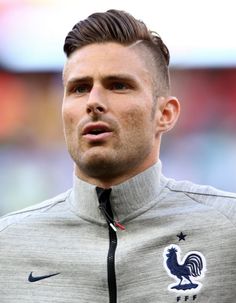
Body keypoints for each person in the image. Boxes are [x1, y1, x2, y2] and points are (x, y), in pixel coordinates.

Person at [0, 9, 235, 303]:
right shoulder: (7, 245)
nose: (94, 102)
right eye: (79, 88)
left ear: (165, 113)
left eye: (118, 85)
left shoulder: (229, 228)